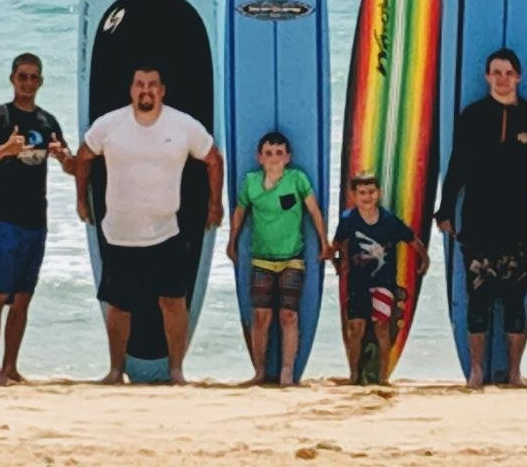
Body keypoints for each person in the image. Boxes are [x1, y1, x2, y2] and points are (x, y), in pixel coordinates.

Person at [73, 64, 223, 385]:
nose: (146, 90)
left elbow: (213, 159)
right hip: (119, 233)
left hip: (164, 232)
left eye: (152, 85)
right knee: (119, 306)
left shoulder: (182, 125)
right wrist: (82, 200)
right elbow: (83, 157)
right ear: (131, 90)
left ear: (162, 90)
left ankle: (176, 371)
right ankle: (115, 370)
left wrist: (215, 204)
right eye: (139, 84)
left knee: (172, 302)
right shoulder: (110, 124)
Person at [435, 47, 527, 387]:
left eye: (508, 73)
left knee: (516, 298)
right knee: (479, 297)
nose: (502, 79)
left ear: (518, 77)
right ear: (487, 76)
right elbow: (457, 166)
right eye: (496, 72)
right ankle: (476, 372)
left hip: (517, 220)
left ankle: (515, 372)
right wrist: (445, 210)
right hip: (477, 220)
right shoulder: (473, 115)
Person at [0, 53, 74, 386]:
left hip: (36, 220)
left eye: (33, 77)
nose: (27, 83)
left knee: (23, 298)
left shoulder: (47, 121)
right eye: (22, 76)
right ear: (12, 78)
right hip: (5, 220)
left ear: (40, 81)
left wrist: (62, 157)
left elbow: (72, 166)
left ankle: (10, 367)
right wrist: (4, 151)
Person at [226, 131, 331, 386]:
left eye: (279, 153)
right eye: (269, 153)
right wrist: (232, 242)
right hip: (261, 258)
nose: (274, 158)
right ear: (259, 157)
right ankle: (260, 372)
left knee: (288, 315)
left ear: (288, 157)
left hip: (292, 258)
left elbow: (314, 211)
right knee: (261, 316)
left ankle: (286, 372)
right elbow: (240, 214)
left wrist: (324, 243)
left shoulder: (297, 179)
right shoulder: (251, 182)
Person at [333, 172, 428, 385]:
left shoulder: (388, 220)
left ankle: (384, 377)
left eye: (371, 192)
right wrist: (338, 266)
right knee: (356, 328)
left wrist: (425, 259)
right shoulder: (349, 219)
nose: (367, 197)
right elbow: (336, 245)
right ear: (354, 196)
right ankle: (354, 375)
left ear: (379, 193)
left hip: (383, 283)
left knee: (382, 327)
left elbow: (412, 240)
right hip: (357, 284)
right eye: (362, 193)